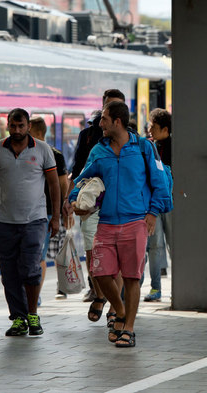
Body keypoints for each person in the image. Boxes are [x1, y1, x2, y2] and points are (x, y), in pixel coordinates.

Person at [65, 101, 172, 348]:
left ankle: (129, 328)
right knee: (100, 272)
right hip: (106, 222)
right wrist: (75, 201)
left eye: (103, 119)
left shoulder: (144, 148)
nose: (99, 123)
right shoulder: (99, 151)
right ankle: (120, 310)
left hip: (136, 222)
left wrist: (154, 212)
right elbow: (82, 180)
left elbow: (160, 181)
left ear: (117, 122)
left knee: (132, 278)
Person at [0, 108, 61, 337]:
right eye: (13, 126)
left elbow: (54, 185)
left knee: (30, 269)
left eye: (21, 126)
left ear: (29, 126)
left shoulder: (42, 150)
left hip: (35, 220)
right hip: (4, 221)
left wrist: (56, 217)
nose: (17, 130)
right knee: (9, 273)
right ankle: (18, 318)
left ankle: (32, 315)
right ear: (7, 125)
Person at [69, 90, 125, 326]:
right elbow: (81, 171)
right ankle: (101, 295)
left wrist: (152, 211)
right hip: (92, 208)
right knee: (96, 260)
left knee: (120, 264)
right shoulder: (92, 140)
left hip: (122, 209)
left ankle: (114, 307)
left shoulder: (137, 144)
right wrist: (71, 200)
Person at [29, 116, 71, 301]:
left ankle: (35, 295)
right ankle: (33, 294)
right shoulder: (52, 153)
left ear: (36, 132)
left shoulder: (52, 154)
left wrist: (62, 211)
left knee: (39, 255)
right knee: (38, 255)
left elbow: (62, 184)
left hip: (45, 212)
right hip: (38, 212)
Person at [144, 108, 173, 302]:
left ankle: (178, 288)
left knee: (173, 244)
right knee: (154, 246)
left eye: (153, 126)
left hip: (170, 203)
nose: (149, 130)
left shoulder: (174, 147)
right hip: (153, 204)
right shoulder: (148, 147)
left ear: (165, 128)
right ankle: (156, 287)